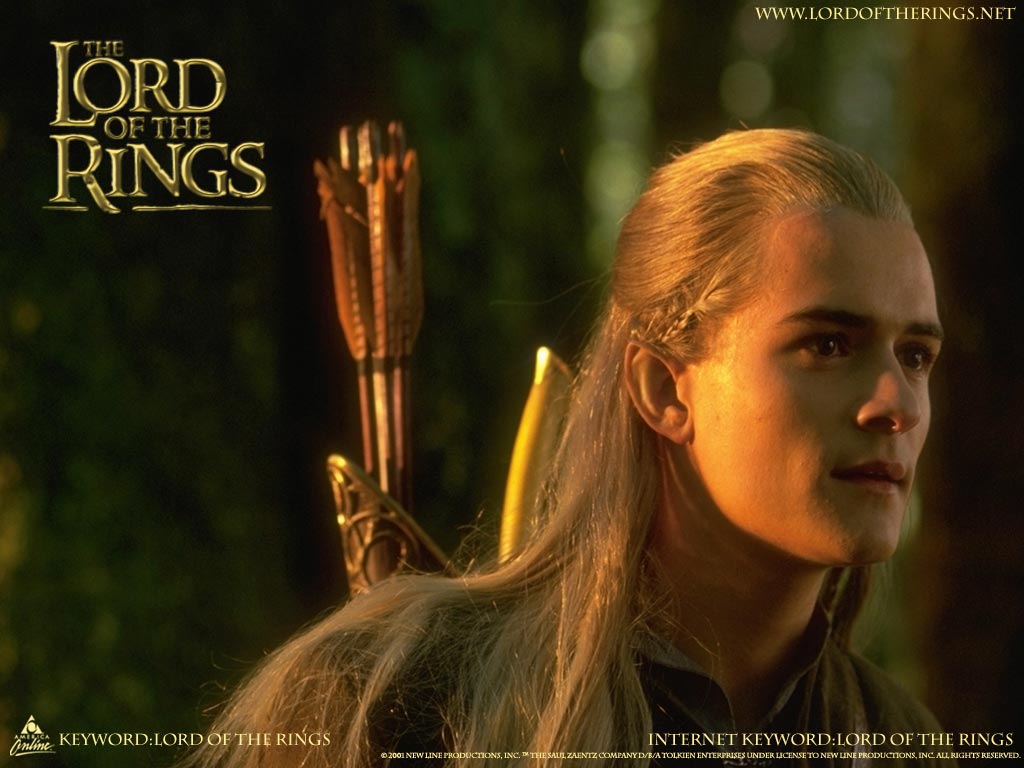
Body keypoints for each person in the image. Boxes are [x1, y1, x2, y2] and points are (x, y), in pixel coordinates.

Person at [184, 128, 947, 767]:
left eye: (915, 356)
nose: (897, 405)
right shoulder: (389, 699)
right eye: (827, 344)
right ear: (664, 389)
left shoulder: (901, 745)